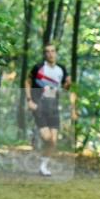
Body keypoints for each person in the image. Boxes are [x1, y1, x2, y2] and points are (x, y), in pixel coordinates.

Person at [25, 43, 75, 176]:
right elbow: (28, 82)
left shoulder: (61, 69)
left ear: (56, 53)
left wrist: (68, 85)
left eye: (52, 51)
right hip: (39, 105)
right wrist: (29, 100)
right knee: (47, 137)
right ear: (44, 54)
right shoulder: (39, 68)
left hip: (53, 106)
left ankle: (43, 166)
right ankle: (35, 138)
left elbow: (65, 88)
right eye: (47, 52)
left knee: (53, 141)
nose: (50, 54)